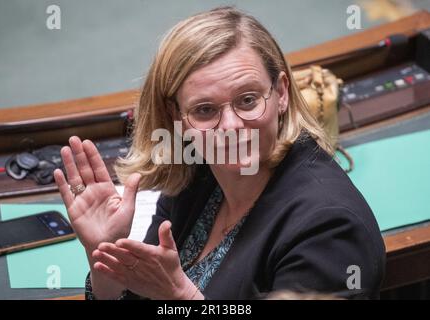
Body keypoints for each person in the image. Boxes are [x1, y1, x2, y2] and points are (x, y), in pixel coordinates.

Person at [54, 6, 385, 300]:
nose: (230, 126)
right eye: (205, 109)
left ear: (281, 93)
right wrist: (105, 258)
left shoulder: (330, 228)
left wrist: (180, 297)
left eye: (247, 100)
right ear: (176, 116)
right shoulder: (196, 172)